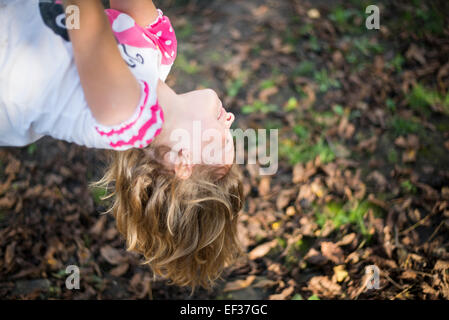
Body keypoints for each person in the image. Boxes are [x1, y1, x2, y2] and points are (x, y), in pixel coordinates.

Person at [0, 0, 245, 291]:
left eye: (222, 140)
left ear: (182, 159)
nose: (229, 119)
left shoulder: (125, 114)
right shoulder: (158, 51)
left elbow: (79, 13)